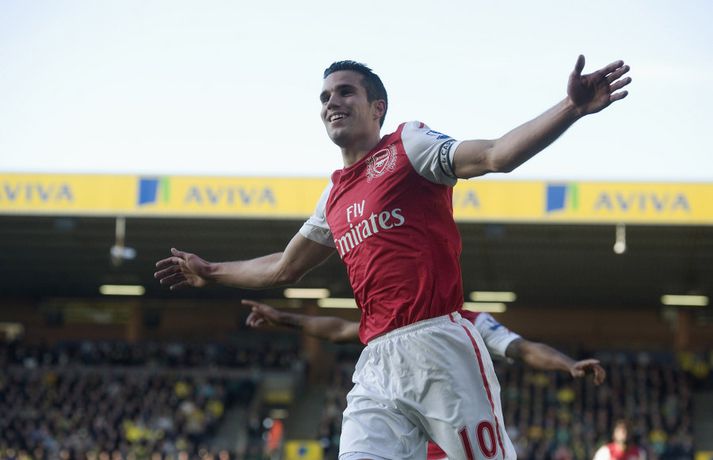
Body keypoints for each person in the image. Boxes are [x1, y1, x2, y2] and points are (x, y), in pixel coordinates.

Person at [155, 56, 631, 459]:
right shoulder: (333, 198)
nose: (332, 103)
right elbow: (284, 266)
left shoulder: (409, 146)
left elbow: (493, 155)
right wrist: (212, 271)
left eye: (345, 92)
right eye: (324, 97)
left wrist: (571, 108)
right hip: (377, 362)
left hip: (440, 346)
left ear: (377, 107)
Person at [242, 299, 607, 459]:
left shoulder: (469, 322)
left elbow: (522, 348)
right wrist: (284, 318)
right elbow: (340, 329)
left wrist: (568, 364)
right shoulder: (397, 323)